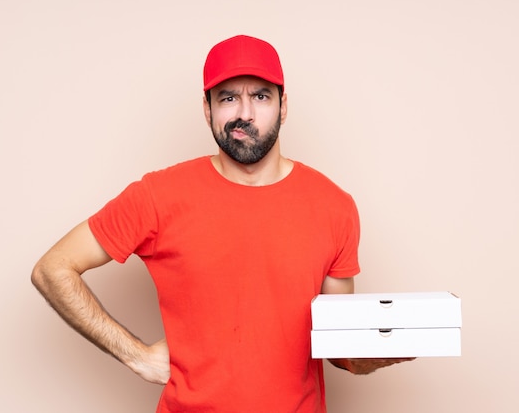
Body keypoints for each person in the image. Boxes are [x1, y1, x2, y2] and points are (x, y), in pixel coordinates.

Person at [31, 35, 411, 412]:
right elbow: (53, 269)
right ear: (207, 109)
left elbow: (338, 342)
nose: (244, 113)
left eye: (260, 96)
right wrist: (137, 356)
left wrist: (374, 355)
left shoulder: (334, 206)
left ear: (283, 105)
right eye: (228, 98)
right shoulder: (158, 196)